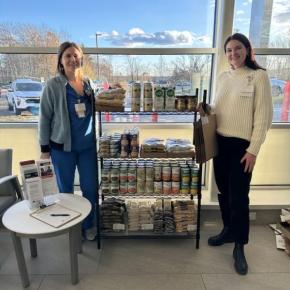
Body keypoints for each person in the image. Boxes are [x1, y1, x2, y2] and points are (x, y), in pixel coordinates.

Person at [205, 33, 273, 275]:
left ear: (247, 49)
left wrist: (253, 150)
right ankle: (228, 230)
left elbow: (264, 118)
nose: (233, 54)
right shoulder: (224, 77)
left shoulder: (258, 77)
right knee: (223, 191)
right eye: (229, 50)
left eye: (237, 49)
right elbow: (219, 108)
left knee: (239, 198)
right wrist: (205, 109)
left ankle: (239, 246)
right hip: (220, 144)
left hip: (242, 149)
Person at [38, 41, 97, 240]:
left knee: (90, 188)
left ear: (81, 58)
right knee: (66, 192)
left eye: (76, 55)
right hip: (62, 149)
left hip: (87, 148)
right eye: (68, 56)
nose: (73, 59)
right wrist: (44, 149)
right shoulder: (53, 85)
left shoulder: (88, 83)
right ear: (61, 62)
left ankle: (88, 225)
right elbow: (44, 118)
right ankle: (72, 229)